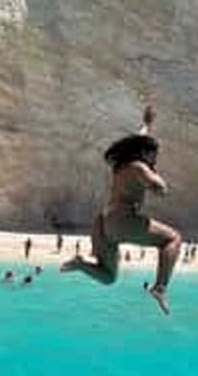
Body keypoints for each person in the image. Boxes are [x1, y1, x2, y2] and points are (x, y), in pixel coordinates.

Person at [61, 106, 181, 315]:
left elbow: (139, 140)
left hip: (104, 222)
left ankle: (81, 265)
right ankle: (160, 287)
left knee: (108, 277)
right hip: (123, 221)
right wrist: (156, 178)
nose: (156, 159)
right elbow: (161, 188)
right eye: (155, 155)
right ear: (146, 154)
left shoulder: (123, 164)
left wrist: (147, 124)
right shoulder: (139, 167)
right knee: (172, 239)